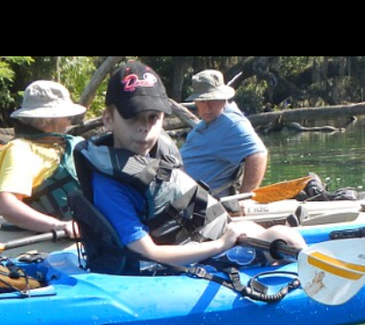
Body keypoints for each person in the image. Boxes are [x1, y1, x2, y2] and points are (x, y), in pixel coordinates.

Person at [73, 62, 304, 276]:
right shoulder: (109, 186)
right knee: (283, 237)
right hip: (181, 259)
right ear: (108, 119)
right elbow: (147, 252)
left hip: (206, 237)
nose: (145, 128)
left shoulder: (155, 153)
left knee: (282, 237)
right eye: (133, 118)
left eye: (153, 117)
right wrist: (221, 244)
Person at [0, 80, 86, 242]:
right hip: (62, 232)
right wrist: (58, 225)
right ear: (47, 120)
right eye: (66, 116)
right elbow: (6, 204)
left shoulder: (69, 143)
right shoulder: (21, 150)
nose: (69, 121)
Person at [180, 69, 269, 197]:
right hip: (178, 194)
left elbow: (258, 155)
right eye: (202, 100)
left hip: (200, 205)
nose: (207, 106)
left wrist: (243, 199)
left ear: (223, 98)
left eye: (212, 99)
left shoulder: (232, 123)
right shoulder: (210, 121)